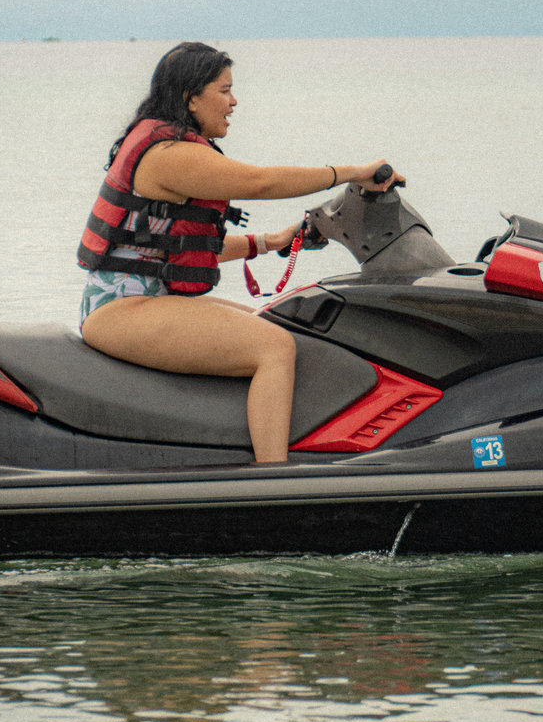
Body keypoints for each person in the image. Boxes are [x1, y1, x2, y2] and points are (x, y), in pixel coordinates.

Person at [77, 41, 403, 464]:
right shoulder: (168, 155)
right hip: (123, 310)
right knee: (275, 348)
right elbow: (260, 183)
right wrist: (354, 172)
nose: (233, 102)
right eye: (224, 90)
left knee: (272, 320)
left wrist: (268, 243)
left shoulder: (166, 146)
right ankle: (273, 479)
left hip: (140, 302)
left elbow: (174, 248)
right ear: (190, 97)